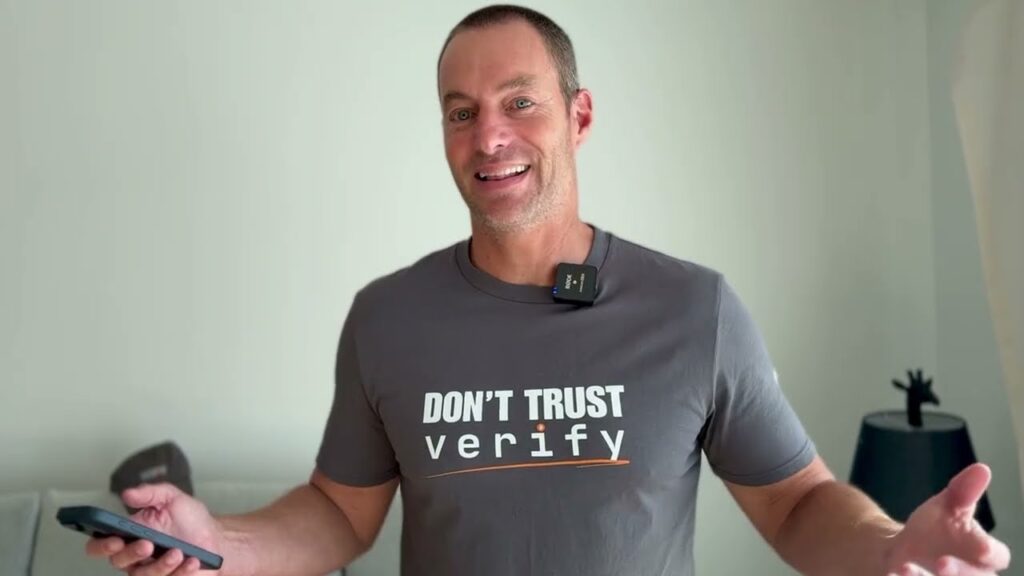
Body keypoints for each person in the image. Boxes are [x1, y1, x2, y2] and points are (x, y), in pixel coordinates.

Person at [87, 5, 1011, 576]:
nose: (488, 136)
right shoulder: (387, 318)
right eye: (461, 112)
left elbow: (798, 504)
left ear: (579, 115)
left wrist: (889, 547)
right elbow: (339, 512)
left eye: (519, 101)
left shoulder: (695, 310)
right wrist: (220, 543)